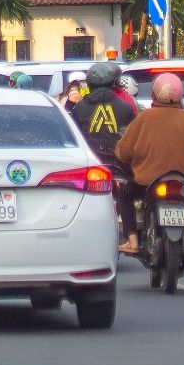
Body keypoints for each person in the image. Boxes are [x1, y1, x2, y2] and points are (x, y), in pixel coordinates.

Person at [113, 72, 184, 256]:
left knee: (123, 196)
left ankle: (133, 241)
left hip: (146, 183)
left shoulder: (143, 118)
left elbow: (122, 153)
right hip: (182, 181)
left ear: (154, 94)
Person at [71, 60, 140, 248]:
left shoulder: (80, 108)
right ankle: (132, 239)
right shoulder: (125, 107)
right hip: (119, 163)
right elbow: (134, 135)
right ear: (113, 84)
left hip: (91, 163)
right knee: (125, 194)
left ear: (89, 84)